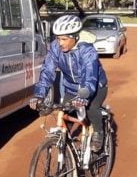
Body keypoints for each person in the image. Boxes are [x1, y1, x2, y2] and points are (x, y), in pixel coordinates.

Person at [30, 15, 109, 151]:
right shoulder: (56, 48)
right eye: (58, 38)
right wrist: (39, 95)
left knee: (91, 108)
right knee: (65, 114)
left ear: (75, 37)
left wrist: (83, 97)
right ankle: (67, 155)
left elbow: (89, 77)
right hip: (71, 89)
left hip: (95, 87)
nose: (60, 43)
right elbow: (47, 72)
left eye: (64, 39)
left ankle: (98, 132)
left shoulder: (87, 51)